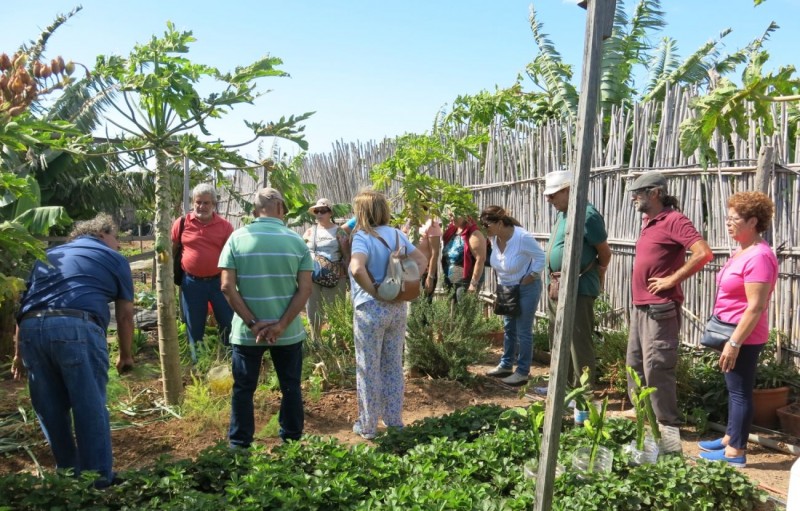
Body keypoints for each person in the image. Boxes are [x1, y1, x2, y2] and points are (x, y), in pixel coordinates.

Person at [11, 213, 134, 487]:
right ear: (101, 234)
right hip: (75, 328)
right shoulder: (114, 258)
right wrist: (126, 355)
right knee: (89, 407)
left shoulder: (48, 255)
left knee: (50, 410)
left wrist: (18, 355)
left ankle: (68, 479)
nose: (118, 245)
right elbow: (125, 316)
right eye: (116, 238)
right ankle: (98, 482)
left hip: (31, 330)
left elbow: (25, 306)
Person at [219, 187, 312, 446]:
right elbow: (305, 289)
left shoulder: (237, 238)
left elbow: (226, 286)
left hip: (247, 332)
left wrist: (252, 323)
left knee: (243, 389)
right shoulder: (296, 241)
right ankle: (292, 443)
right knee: (290, 386)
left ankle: (239, 445)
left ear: (254, 210)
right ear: (281, 208)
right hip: (288, 332)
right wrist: (281, 325)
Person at [627, 172, 713, 431]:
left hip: (659, 307)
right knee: (635, 363)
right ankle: (641, 412)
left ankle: (666, 423)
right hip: (641, 305)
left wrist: (672, 279)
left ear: (655, 193)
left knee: (657, 366)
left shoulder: (674, 220)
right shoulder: (649, 221)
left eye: (638, 193)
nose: (633, 197)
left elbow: (703, 253)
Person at [698, 192, 778, 467]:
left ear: (753, 221)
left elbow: (755, 306)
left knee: (741, 391)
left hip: (743, 335)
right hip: (730, 331)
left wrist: (734, 343)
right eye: (728, 218)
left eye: (734, 219)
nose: (728, 223)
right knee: (734, 389)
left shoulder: (759, 257)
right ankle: (729, 438)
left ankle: (735, 452)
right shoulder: (743, 251)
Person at [348, 189, 428, 439]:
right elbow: (421, 260)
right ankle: (394, 421)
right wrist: (404, 282)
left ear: (361, 212)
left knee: (368, 368)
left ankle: (368, 426)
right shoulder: (396, 235)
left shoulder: (362, 237)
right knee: (393, 365)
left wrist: (375, 291)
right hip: (397, 307)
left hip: (370, 308)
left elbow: (357, 268)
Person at [543, 170, 612, 387]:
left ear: (569, 190)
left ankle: (583, 392)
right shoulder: (562, 214)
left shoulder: (587, 215)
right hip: (557, 285)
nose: (549, 199)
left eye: (553, 194)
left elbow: (604, 252)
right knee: (557, 337)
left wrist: (600, 271)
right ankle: (561, 388)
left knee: (578, 341)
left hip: (579, 287)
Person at [480, 206, 546, 386]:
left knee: (523, 331)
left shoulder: (522, 237)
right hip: (507, 289)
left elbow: (541, 257)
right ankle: (506, 365)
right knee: (509, 328)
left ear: (500, 223)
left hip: (526, 289)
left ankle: (522, 372)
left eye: (486, 225)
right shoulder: (494, 238)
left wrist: (532, 275)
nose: (484, 229)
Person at [171, 183, 234, 361]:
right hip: (191, 283)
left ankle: (230, 359)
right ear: (193, 202)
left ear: (214, 204)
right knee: (194, 325)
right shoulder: (182, 223)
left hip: (218, 283)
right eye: (198, 202)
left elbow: (231, 256)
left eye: (206, 203)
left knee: (227, 322)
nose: (201, 206)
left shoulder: (225, 227)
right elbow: (173, 248)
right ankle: (198, 363)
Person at [303, 198, 349, 341]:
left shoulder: (339, 231)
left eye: (323, 211)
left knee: (336, 311)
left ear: (330, 213)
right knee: (313, 311)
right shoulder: (309, 232)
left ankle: (338, 345)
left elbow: (347, 255)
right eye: (317, 211)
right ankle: (316, 343)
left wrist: (347, 276)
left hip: (335, 275)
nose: (319, 214)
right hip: (313, 275)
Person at [441, 214, 488, 303]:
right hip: (451, 276)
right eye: (450, 215)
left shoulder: (474, 233)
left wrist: (473, 284)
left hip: (466, 279)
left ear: (465, 215)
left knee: (464, 308)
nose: (451, 218)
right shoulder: (452, 230)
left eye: (454, 215)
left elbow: (480, 259)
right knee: (452, 307)